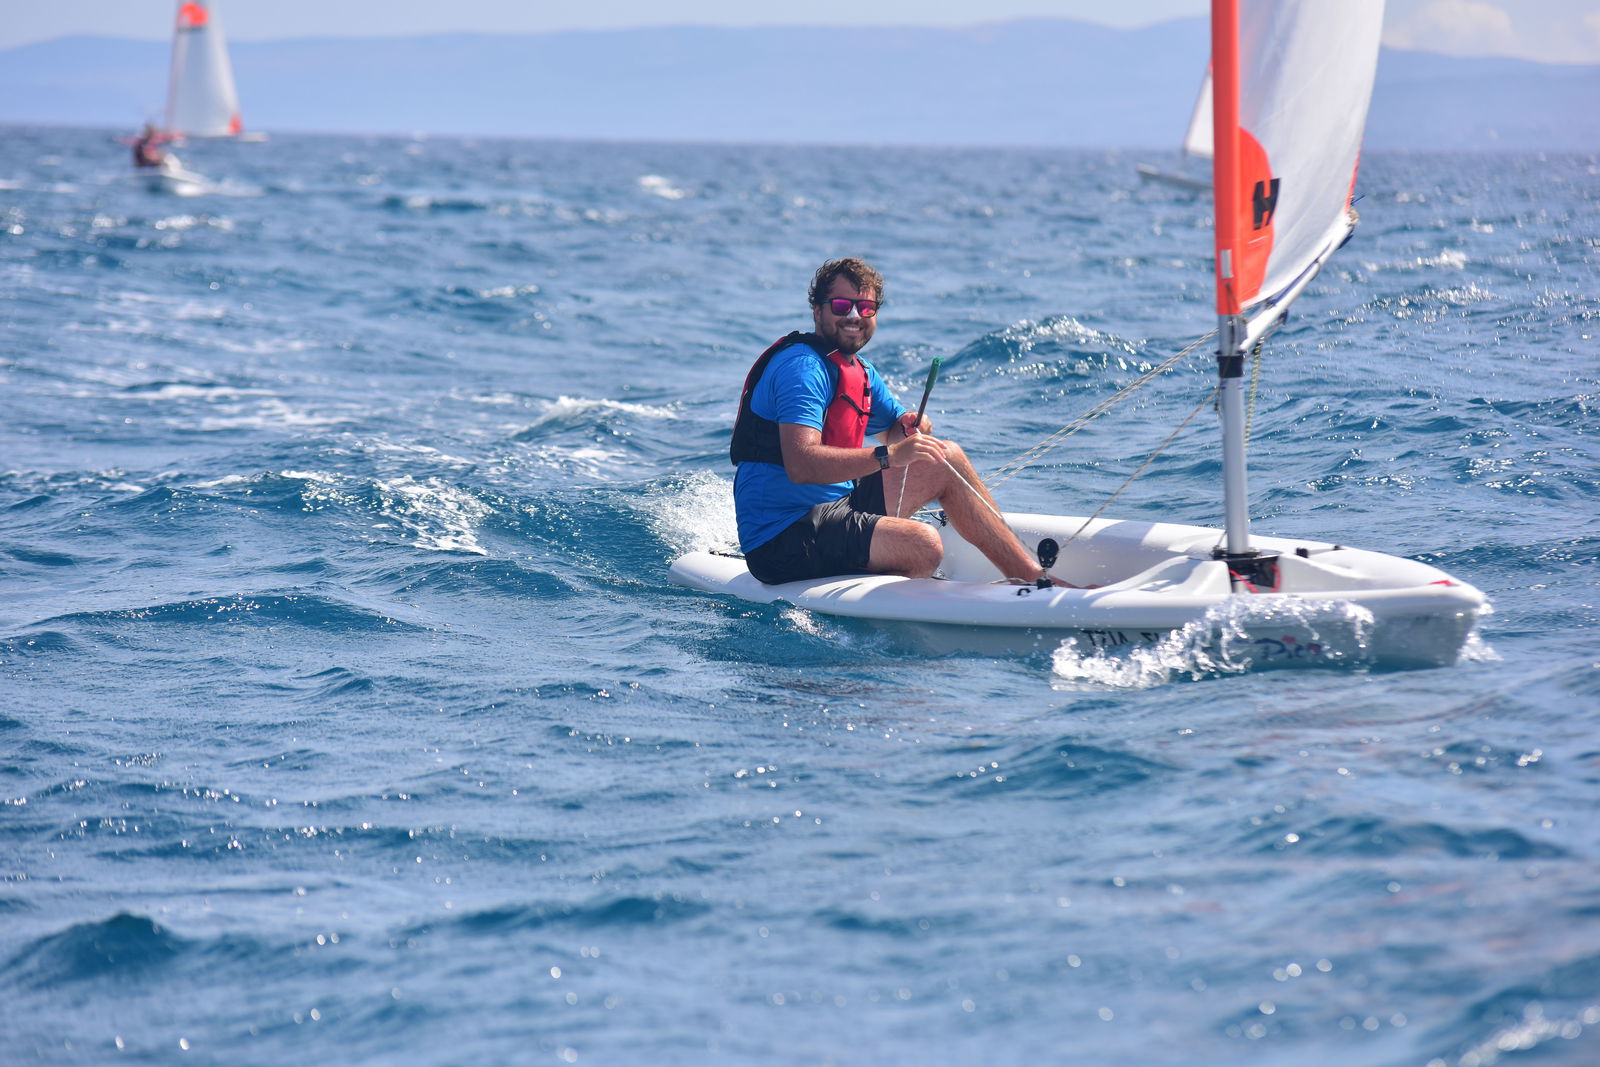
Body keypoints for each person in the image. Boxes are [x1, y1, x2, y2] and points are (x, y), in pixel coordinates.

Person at [730, 256, 1067, 587]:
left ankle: (1031, 577)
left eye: (865, 308)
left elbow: (895, 433)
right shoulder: (802, 369)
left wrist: (908, 429)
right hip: (783, 536)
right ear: (817, 310)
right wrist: (889, 455)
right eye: (842, 306)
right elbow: (802, 465)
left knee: (944, 457)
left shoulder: (859, 371)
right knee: (923, 545)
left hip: (839, 505)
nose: (854, 316)